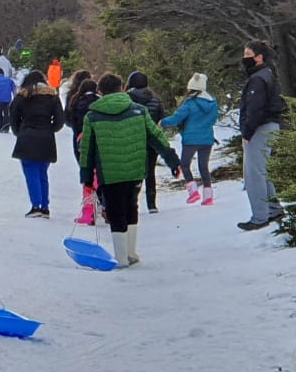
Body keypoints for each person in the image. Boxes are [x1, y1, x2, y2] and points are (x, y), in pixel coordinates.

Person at [80, 73, 175, 268]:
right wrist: (173, 161)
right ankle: (131, 253)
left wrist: (87, 178)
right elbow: (156, 136)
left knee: (116, 212)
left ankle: (121, 258)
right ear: (122, 88)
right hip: (135, 170)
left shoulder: (92, 116)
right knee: (132, 206)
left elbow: (87, 149)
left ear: (100, 92)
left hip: (109, 172)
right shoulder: (139, 111)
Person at [239, 41, 287, 230]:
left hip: (261, 127)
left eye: (248, 54)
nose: (245, 59)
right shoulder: (267, 74)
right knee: (263, 171)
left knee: (254, 173)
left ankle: (260, 216)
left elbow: (255, 109)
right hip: (270, 126)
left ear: (259, 57)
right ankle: (274, 208)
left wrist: (247, 132)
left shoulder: (258, 79)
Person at [8, 71, 65, 218]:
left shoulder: (22, 97)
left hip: (27, 136)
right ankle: (45, 206)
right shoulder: (52, 97)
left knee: (30, 171)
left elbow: (13, 118)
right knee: (42, 172)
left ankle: (36, 205)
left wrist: (20, 131)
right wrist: (49, 129)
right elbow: (60, 121)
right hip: (46, 138)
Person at [125, 71, 181, 214]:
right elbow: (160, 120)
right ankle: (152, 204)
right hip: (152, 141)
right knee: (150, 171)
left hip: (132, 140)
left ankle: (132, 202)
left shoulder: (126, 99)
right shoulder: (155, 100)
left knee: (133, 172)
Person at [161, 73, 220, 206]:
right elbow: (214, 119)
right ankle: (208, 197)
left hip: (191, 140)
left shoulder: (189, 103)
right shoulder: (212, 103)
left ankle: (193, 192)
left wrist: (162, 122)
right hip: (207, 139)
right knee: (204, 167)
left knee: (185, 164)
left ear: (191, 89)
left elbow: (176, 119)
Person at [66, 78, 100, 225]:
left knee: (86, 174)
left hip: (81, 141)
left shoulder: (76, 102)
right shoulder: (100, 101)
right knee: (99, 174)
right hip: (100, 142)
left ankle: (88, 211)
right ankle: (104, 206)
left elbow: (70, 122)